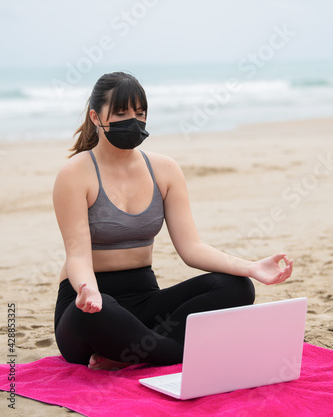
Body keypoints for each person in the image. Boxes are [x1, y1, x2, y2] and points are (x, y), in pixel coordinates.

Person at [53, 72, 293, 369]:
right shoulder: (75, 174)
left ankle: (133, 353)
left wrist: (252, 267)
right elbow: (77, 255)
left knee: (237, 287)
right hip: (90, 304)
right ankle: (178, 354)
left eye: (140, 113)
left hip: (144, 301)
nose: (133, 120)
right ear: (95, 116)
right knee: (96, 313)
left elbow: (191, 248)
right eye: (121, 112)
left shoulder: (164, 169)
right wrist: (88, 289)